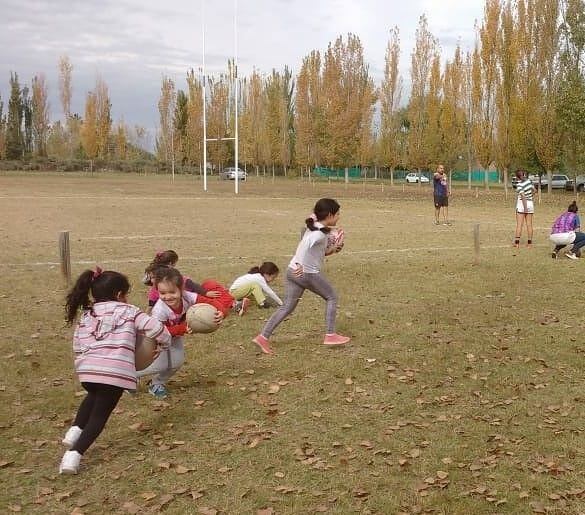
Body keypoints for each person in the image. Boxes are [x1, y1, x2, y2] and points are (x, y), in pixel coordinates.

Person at [60, 268, 171, 474]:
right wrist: (163, 345)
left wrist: (84, 363)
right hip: (114, 373)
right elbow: (157, 329)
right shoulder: (129, 311)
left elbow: (77, 342)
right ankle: (74, 454)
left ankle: (74, 432)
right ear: (120, 295)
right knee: (99, 416)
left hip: (88, 372)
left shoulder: (88, 314)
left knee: (93, 395)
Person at [252, 198, 350, 355]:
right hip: (305, 273)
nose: (339, 217)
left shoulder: (314, 227)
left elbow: (320, 252)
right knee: (332, 297)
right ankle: (331, 335)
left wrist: (334, 248)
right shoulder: (318, 234)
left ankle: (263, 337)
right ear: (330, 215)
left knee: (287, 307)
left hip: (292, 272)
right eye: (338, 214)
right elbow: (305, 247)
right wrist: (300, 265)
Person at [137, 267, 223, 399]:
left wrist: (219, 311)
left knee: (177, 362)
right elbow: (159, 332)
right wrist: (183, 328)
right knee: (160, 365)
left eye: (172, 292)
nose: (168, 296)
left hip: (175, 337)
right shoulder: (159, 310)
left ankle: (156, 384)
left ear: (181, 289)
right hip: (156, 338)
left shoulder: (188, 296)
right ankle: (129, 374)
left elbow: (210, 302)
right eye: (163, 293)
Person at [143, 250, 236, 317]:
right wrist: (146, 318)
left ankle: (233, 302)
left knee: (210, 285)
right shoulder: (157, 300)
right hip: (190, 305)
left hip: (195, 296)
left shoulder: (176, 280)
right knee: (213, 296)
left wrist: (205, 293)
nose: (152, 280)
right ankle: (234, 304)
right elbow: (151, 306)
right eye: (151, 278)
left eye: (154, 277)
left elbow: (191, 285)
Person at [514, 169, 536, 248]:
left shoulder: (519, 184)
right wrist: (530, 197)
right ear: (524, 174)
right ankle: (529, 243)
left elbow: (523, 196)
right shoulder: (529, 181)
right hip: (530, 203)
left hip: (522, 205)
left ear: (517, 177)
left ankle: (516, 243)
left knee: (519, 224)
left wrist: (525, 208)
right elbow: (534, 190)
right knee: (529, 224)